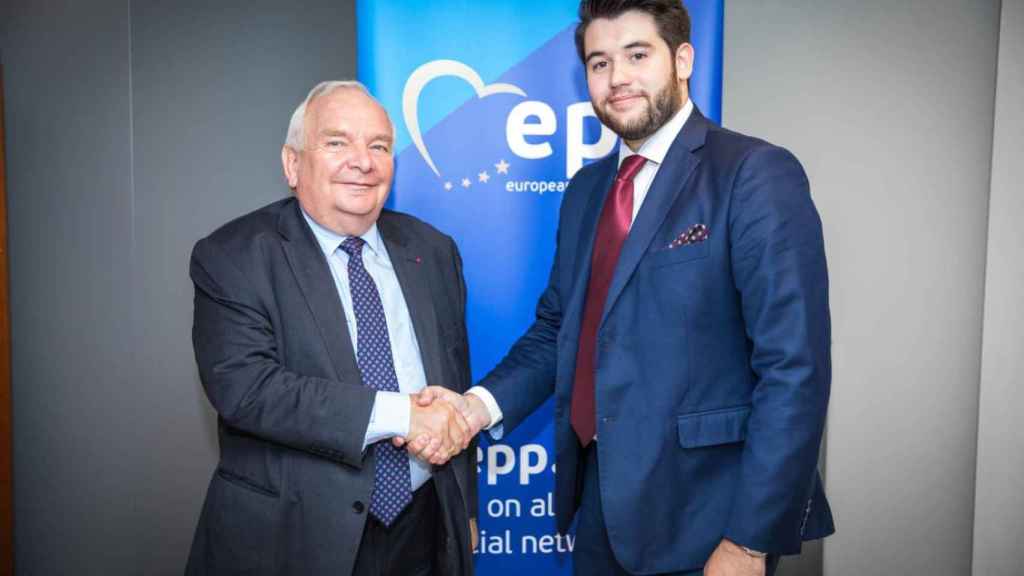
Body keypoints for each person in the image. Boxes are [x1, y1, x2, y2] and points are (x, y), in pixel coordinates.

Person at [408, 1, 835, 574]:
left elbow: (794, 369)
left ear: (683, 59)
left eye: (638, 55)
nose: (618, 79)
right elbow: (560, 330)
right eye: (600, 63)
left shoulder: (753, 173)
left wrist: (749, 542)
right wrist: (472, 408)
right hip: (601, 511)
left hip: (708, 523)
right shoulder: (587, 190)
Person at [185, 80, 477, 576]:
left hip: (423, 526)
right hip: (293, 535)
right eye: (337, 142)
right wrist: (402, 415)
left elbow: (452, 379)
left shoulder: (433, 250)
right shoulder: (233, 256)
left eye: (379, 146)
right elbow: (248, 391)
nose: (362, 161)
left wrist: (463, 506)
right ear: (292, 164)